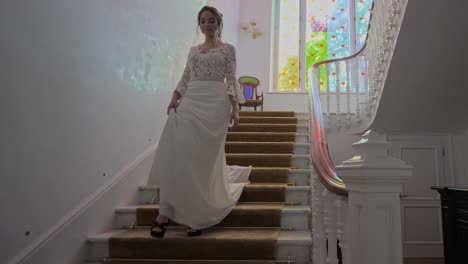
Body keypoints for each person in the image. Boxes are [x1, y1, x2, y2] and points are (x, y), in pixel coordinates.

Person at [147, 5, 252, 238]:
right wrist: (174, 98)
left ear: (218, 23)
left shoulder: (228, 50)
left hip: (215, 105)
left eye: (211, 20)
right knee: (176, 152)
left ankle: (198, 215)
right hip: (191, 102)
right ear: (199, 24)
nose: (207, 24)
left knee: (204, 160)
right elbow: (186, 76)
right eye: (203, 20)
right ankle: (164, 212)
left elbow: (232, 79)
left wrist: (236, 109)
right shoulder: (194, 51)